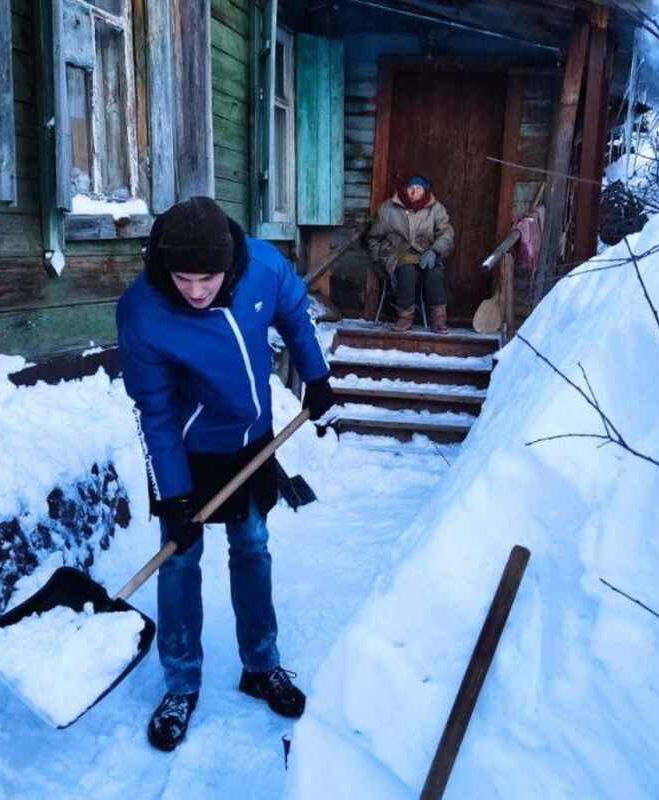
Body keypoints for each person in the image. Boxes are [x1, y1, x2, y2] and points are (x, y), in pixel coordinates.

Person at [115, 196, 335, 752]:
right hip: (187, 448)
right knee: (180, 560)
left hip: (252, 440)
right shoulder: (144, 310)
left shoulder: (263, 265)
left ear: (229, 264)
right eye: (182, 278)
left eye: (206, 278)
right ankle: (181, 683)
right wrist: (175, 497)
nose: (194, 290)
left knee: (253, 546)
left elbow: (293, 314)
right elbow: (156, 412)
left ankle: (261, 666)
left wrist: (316, 374)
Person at [366, 174, 455, 334]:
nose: (414, 193)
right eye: (411, 189)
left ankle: (439, 319)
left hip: (425, 253)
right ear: (404, 190)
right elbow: (373, 237)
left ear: (425, 191)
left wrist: (435, 251)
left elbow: (447, 233)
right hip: (396, 253)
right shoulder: (388, 208)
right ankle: (405, 317)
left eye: (418, 189)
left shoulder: (435, 208)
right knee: (407, 271)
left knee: (434, 273)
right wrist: (378, 261)